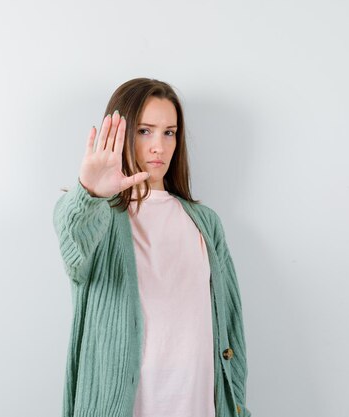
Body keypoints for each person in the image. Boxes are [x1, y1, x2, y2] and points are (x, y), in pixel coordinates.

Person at [53, 78, 251, 417]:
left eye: (169, 132)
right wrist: (91, 193)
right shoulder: (97, 213)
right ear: (120, 133)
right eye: (145, 131)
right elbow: (73, 246)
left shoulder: (204, 222)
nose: (158, 146)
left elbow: (230, 324)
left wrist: (237, 407)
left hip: (197, 404)